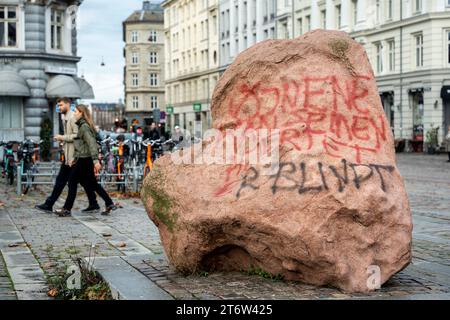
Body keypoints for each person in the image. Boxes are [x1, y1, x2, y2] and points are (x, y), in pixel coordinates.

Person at [35, 98, 99, 214]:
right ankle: (94, 203)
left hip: (74, 156)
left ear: (68, 105)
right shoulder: (65, 117)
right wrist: (63, 142)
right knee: (83, 181)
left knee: (67, 181)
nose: (59, 107)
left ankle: (57, 206)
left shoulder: (73, 118)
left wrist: (62, 138)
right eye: (58, 105)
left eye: (61, 105)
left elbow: (76, 136)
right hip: (70, 155)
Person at [55, 105, 117, 217]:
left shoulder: (84, 127)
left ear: (81, 113)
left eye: (76, 112)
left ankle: (67, 209)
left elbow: (91, 143)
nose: (74, 114)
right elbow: (82, 144)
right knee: (92, 183)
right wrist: (75, 158)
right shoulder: (83, 125)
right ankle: (109, 203)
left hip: (85, 159)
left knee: (72, 181)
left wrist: (95, 161)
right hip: (83, 158)